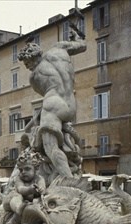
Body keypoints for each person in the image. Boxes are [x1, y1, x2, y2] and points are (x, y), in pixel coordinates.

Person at [18, 25, 86, 183]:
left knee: (50, 147)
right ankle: (67, 174)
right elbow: (83, 45)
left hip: (53, 104)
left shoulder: (34, 77)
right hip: (70, 104)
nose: (27, 67)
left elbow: (47, 95)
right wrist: (76, 38)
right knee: (56, 140)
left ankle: (70, 183)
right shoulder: (59, 49)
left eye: (26, 63)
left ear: (30, 59)